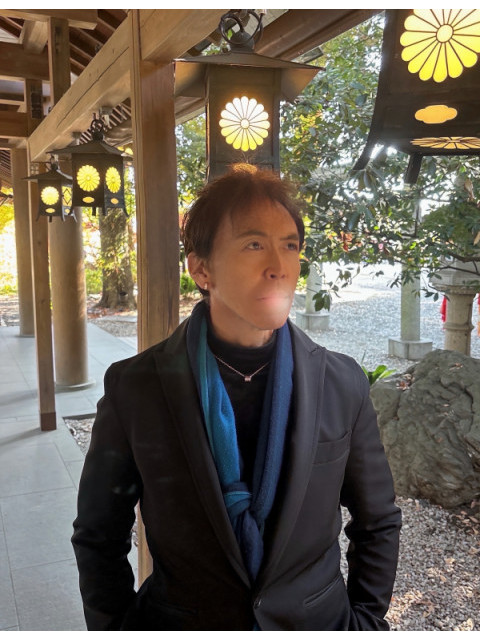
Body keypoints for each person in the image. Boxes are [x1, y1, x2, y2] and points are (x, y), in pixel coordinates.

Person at [72, 164, 401, 631]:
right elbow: (99, 534)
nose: (279, 265)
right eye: (254, 244)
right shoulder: (138, 388)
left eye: (290, 245)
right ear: (201, 269)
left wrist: (366, 623)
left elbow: (377, 520)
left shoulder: (340, 383)